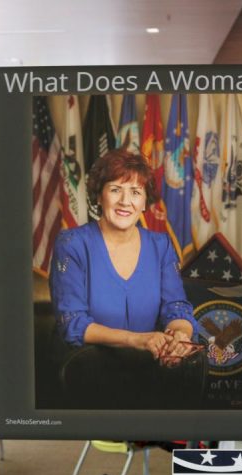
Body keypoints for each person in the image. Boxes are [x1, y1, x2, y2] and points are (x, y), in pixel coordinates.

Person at [51, 148, 196, 362]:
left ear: (145, 202)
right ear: (99, 196)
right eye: (115, 190)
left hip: (149, 367)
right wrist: (137, 340)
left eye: (136, 192)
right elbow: (73, 322)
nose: (125, 201)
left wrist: (179, 336)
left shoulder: (161, 246)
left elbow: (176, 308)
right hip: (87, 367)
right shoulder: (72, 244)